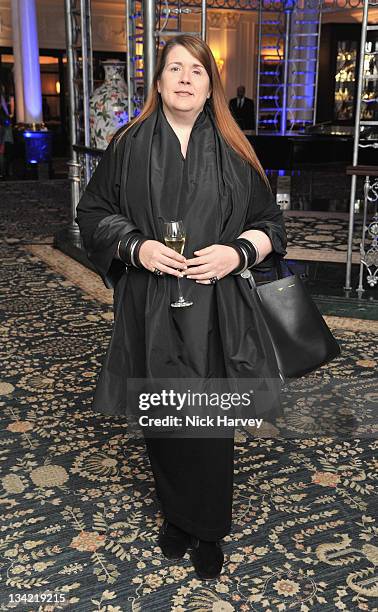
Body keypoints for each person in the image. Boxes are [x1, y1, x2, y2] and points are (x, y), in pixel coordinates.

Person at [75, 35, 286, 581]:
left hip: (219, 305)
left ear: (210, 82)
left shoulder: (236, 149)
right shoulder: (130, 142)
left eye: (197, 68)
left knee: (211, 422)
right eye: (175, 68)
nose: (186, 77)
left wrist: (237, 251)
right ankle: (176, 514)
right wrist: (136, 246)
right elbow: (93, 211)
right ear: (159, 80)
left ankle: (208, 525)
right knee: (165, 414)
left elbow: (272, 226)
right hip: (151, 302)